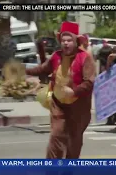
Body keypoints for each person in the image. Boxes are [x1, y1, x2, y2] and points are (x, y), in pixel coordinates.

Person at [25, 21, 96, 159]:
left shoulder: (85, 58)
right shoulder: (56, 56)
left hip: (79, 107)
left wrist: (74, 91)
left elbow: (89, 82)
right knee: (56, 135)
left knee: (74, 141)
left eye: (69, 40)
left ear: (76, 41)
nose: (66, 43)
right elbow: (43, 69)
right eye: (63, 40)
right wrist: (24, 71)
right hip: (58, 104)